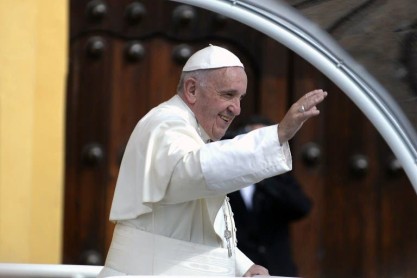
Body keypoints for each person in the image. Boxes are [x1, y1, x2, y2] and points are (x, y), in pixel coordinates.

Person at [98, 44, 327, 277]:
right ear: (192, 90)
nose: (237, 109)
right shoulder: (165, 123)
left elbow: (193, 233)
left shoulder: (194, 134)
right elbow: (192, 172)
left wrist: (243, 267)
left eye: (240, 98)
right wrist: (276, 135)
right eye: (228, 94)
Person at [227, 115, 312, 277]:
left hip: (276, 267)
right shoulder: (225, 178)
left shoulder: (278, 176)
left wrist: (264, 179)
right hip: (240, 271)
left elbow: (302, 207)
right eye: (253, 141)